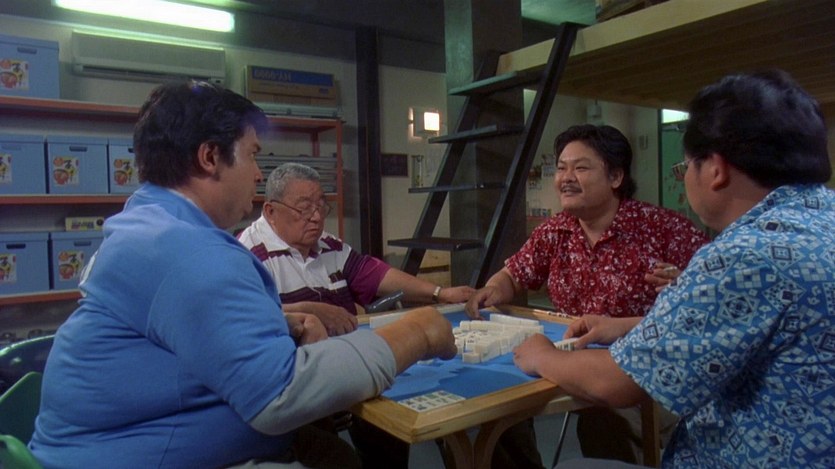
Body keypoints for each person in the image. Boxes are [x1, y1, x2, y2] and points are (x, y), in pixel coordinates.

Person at [28, 81, 457, 469]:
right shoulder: (189, 252)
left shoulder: (149, 224)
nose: (257, 174)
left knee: (332, 454)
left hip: (113, 443)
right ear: (210, 157)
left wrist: (278, 322)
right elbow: (280, 395)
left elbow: (181, 330)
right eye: (252, 155)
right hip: (118, 454)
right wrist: (417, 332)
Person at [513, 70, 835, 468]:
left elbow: (619, 381)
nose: (567, 179)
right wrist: (625, 326)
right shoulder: (819, 222)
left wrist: (541, 356)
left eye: (686, 167)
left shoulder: (742, 254)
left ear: (715, 169)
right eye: (562, 168)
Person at [465, 124, 710, 466]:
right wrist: (493, 289)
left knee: (606, 421)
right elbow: (513, 274)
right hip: (567, 356)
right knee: (495, 401)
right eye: (561, 168)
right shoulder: (555, 230)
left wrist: (683, 282)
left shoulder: (664, 228)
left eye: (580, 168)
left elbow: (710, 300)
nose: (566, 178)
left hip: (637, 369)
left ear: (615, 177)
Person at [238, 162, 475, 337]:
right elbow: (246, 320)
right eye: (304, 208)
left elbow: (375, 275)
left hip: (347, 350)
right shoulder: (247, 254)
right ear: (271, 212)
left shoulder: (328, 244)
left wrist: (440, 293)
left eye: (320, 206)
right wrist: (309, 311)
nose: (317, 217)